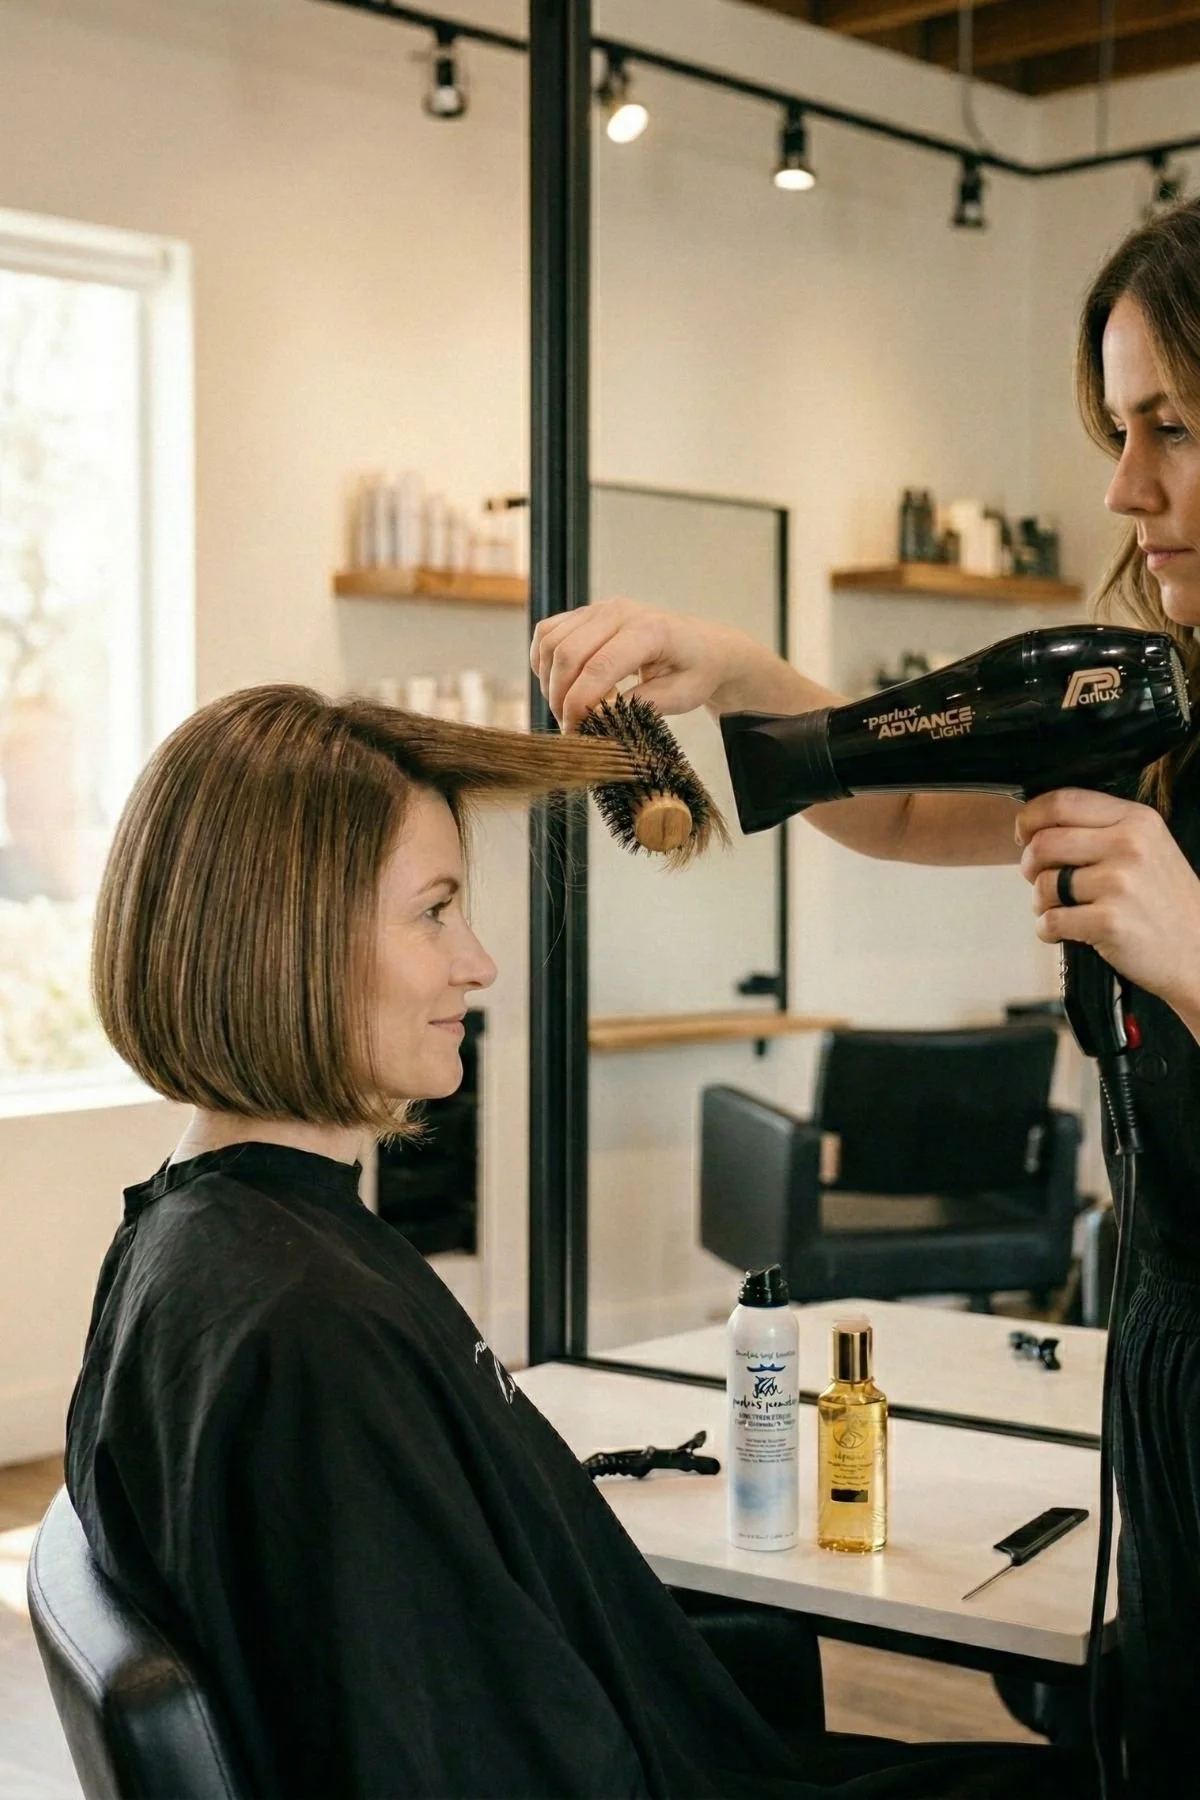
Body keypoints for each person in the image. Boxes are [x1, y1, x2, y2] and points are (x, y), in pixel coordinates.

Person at [66, 683, 1089, 1800]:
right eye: (434, 912)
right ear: (287, 937)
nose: (479, 964)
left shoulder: (200, 1241)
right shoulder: (305, 1327)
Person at [532, 196, 1200, 1799]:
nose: (1125, 487)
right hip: (1168, 1366)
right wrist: (737, 672)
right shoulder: (1164, 708)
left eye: (1170, 426)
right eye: (1118, 430)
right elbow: (905, 804)